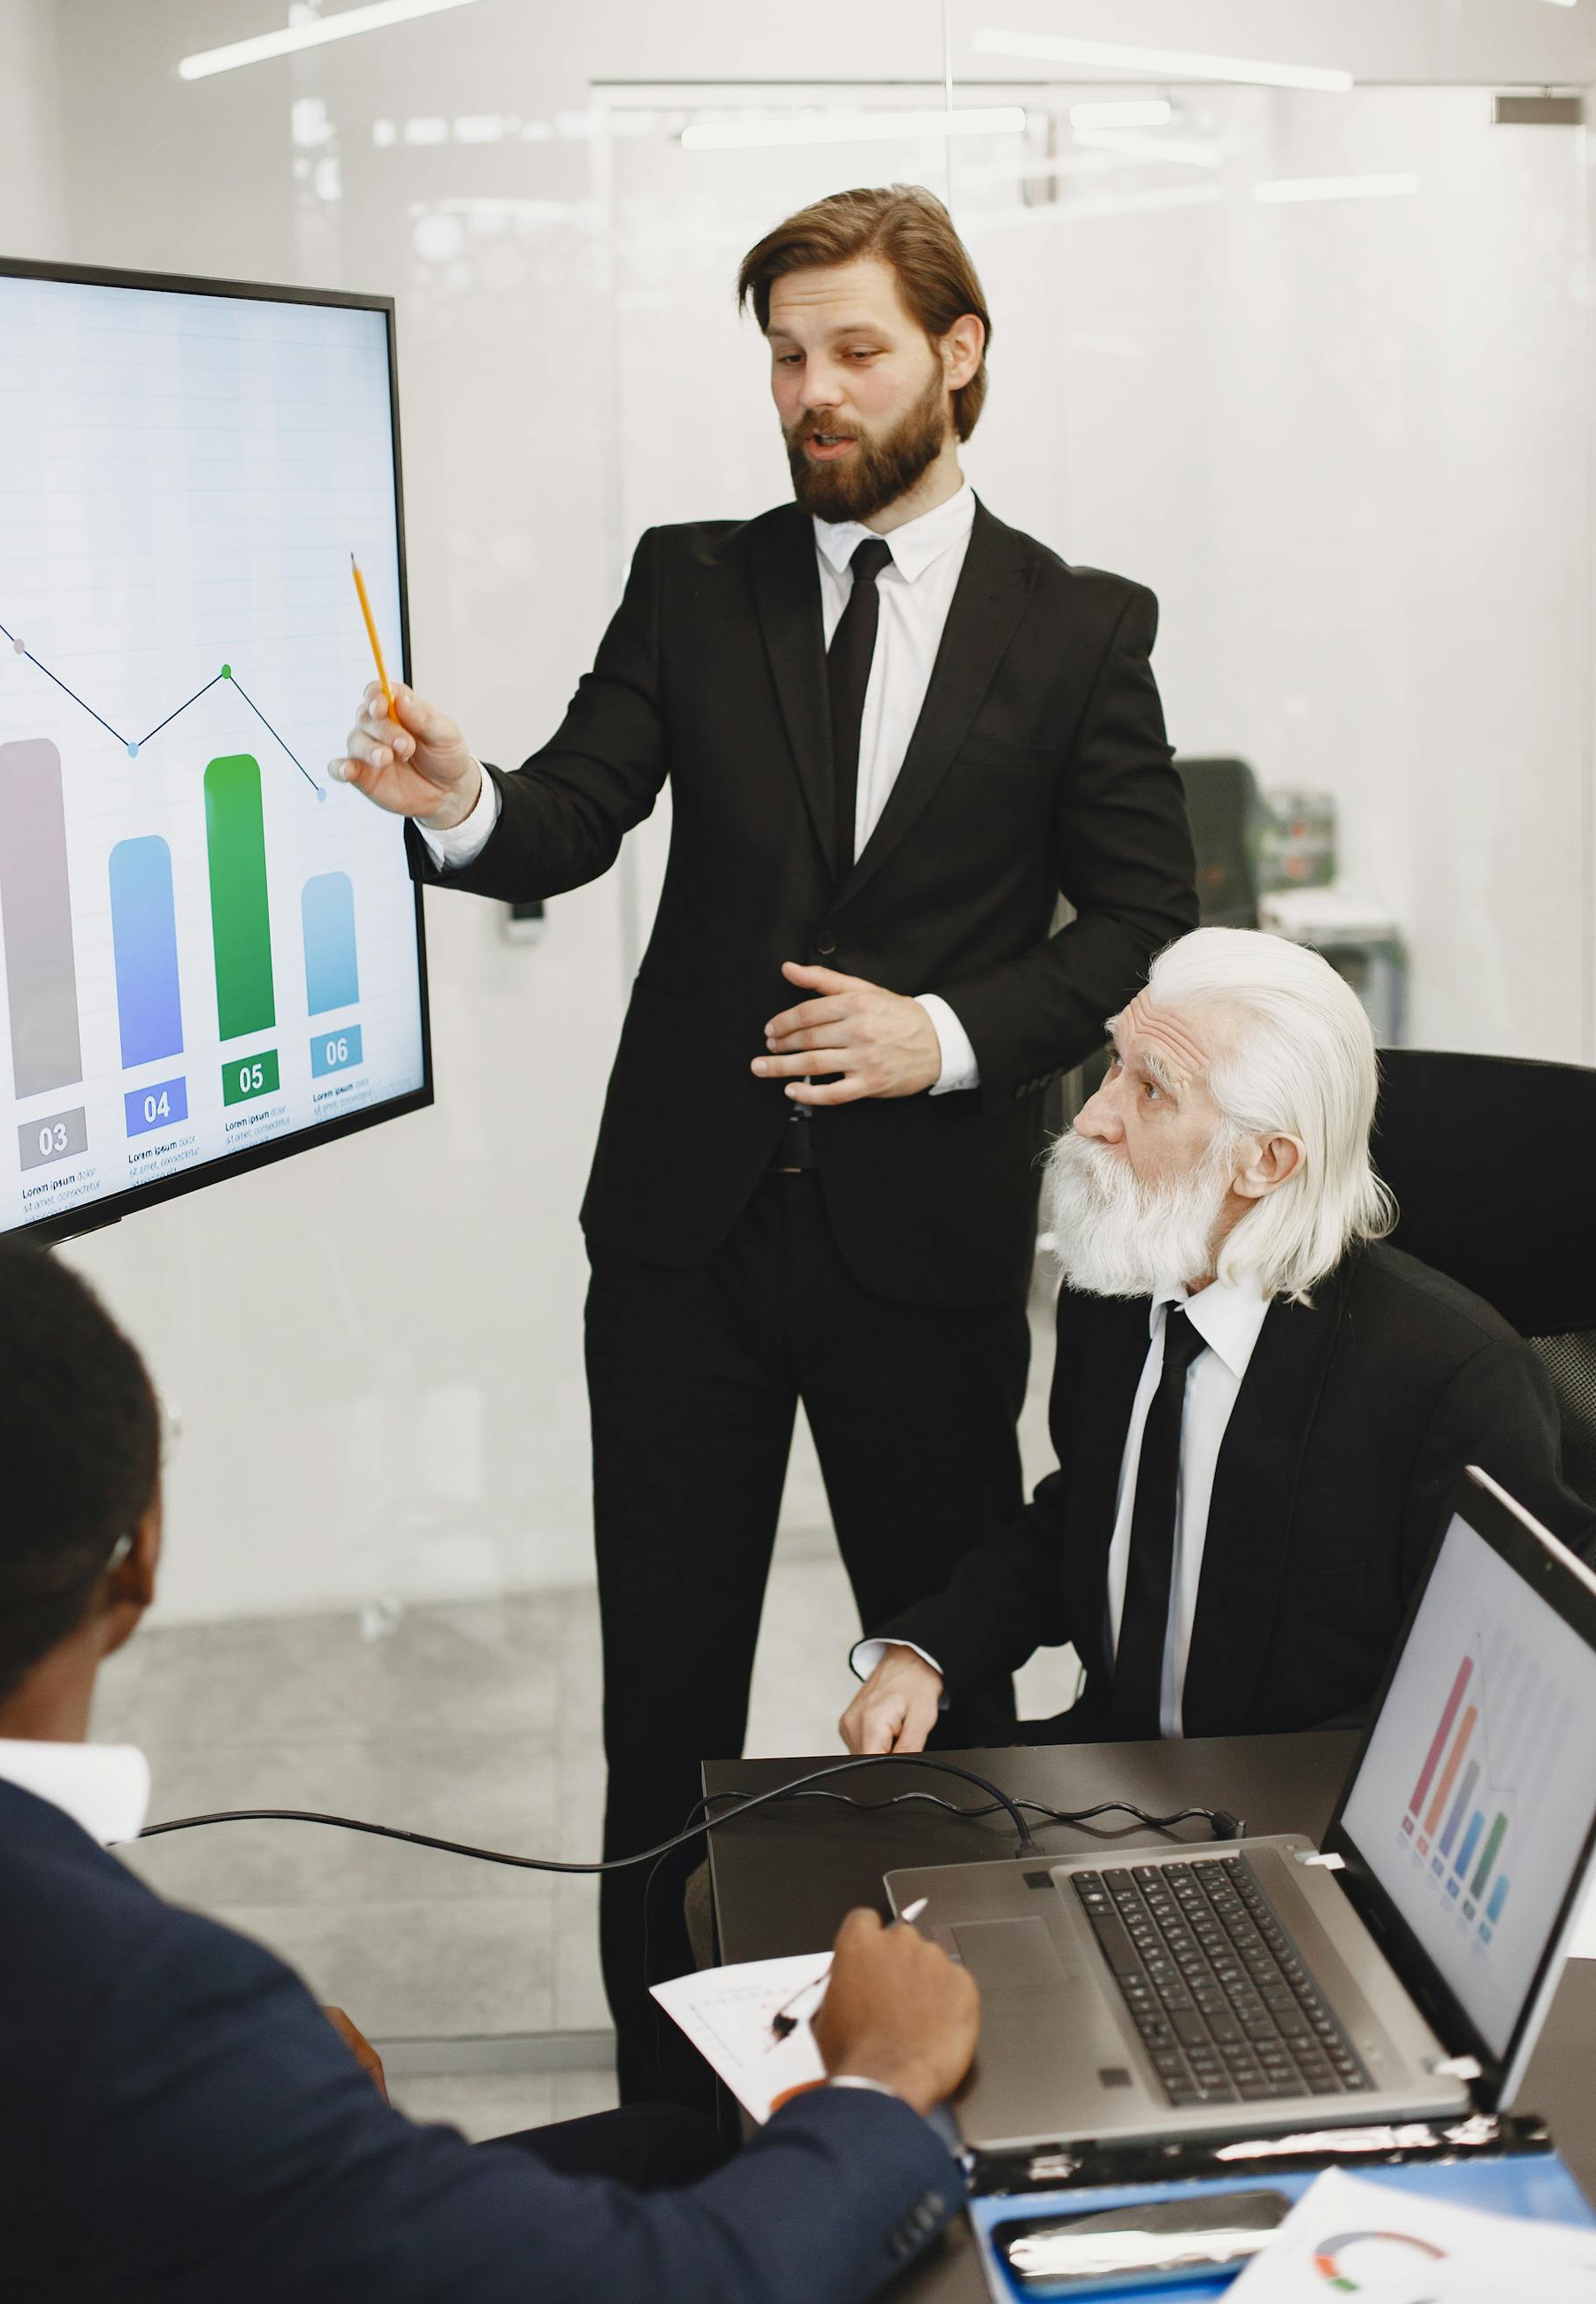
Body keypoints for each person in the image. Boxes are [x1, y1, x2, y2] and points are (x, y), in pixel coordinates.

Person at [330, 185, 1198, 2097]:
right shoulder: (691, 581)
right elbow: (567, 811)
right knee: (665, 1726)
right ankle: (668, 2132)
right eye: (787, 356)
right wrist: (461, 798)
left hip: (927, 1251)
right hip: (680, 1246)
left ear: (958, 354)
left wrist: (951, 1036)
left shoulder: (1077, 627)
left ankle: (978, 2097)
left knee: (947, 1703)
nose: (812, 391)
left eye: (855, 351)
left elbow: (1145, 920)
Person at [0, 1236, 979, 2304]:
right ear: (137, 1556)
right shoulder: (149, 2015)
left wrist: (261, 2094)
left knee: (663, 2145)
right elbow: (690, 2283)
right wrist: (880, 2077)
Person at [842, 927, 1591, 1757]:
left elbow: (1495, 1672)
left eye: (1152, 1090)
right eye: (1115, 1063)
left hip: (1298, 1806)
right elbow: (1092, 1510)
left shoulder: (1453, 1378)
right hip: (1113, 1771)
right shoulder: (1120, 1283)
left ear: (1265, 1162)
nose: (1094, 1113)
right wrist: (929, 1652)